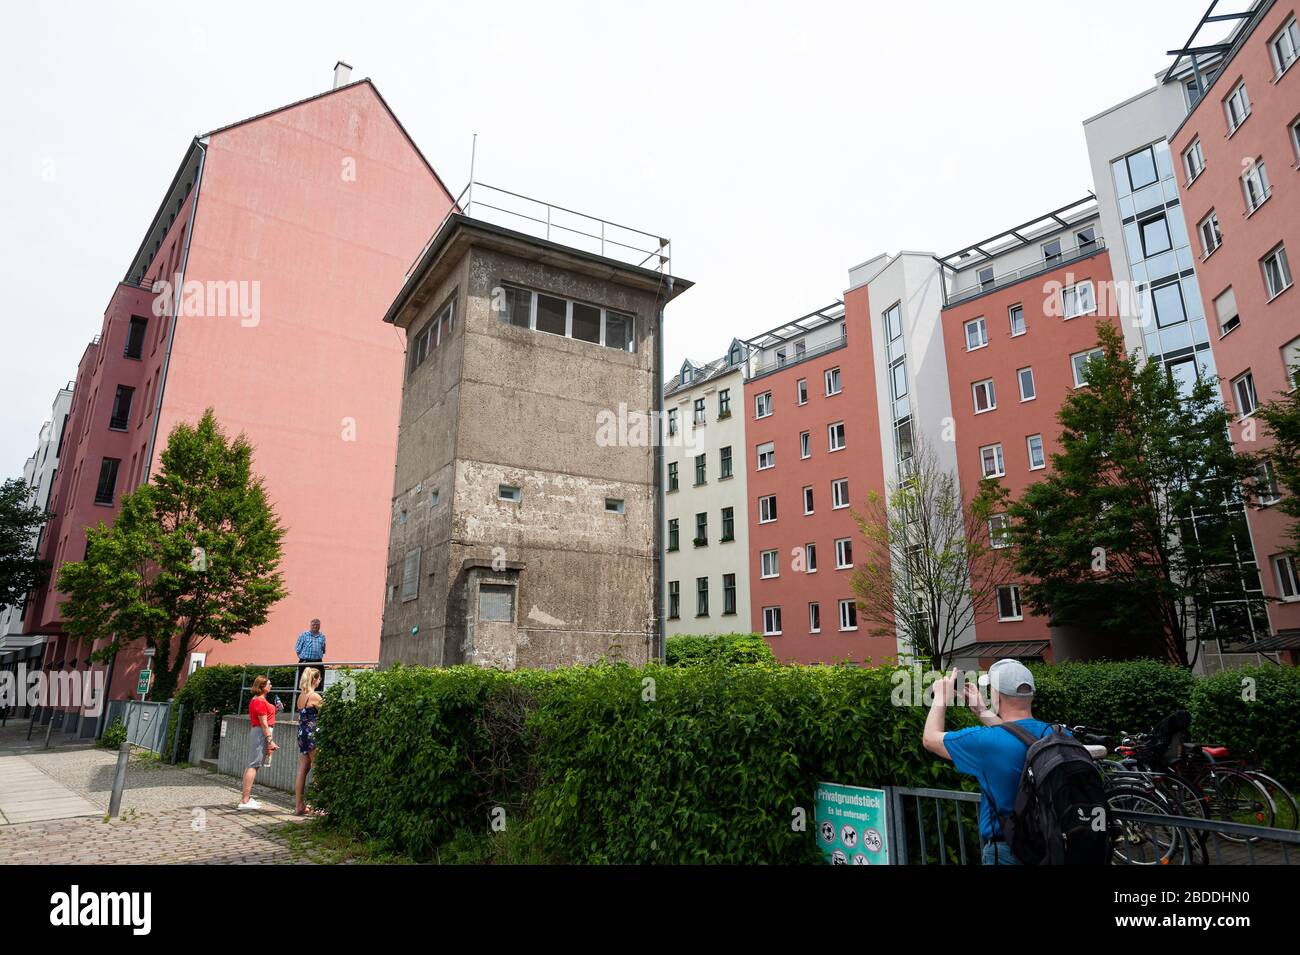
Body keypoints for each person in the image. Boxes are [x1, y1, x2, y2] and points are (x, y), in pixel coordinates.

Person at [921, 660, 1056, 866]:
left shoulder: (986, 741)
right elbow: (1018, 735)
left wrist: (940, 697)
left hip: (1007, 850)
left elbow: (930, 738)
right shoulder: (1055, 733)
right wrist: (982, 712)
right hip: (1053, 843)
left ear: (997, 695)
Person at [238, 675, 278, 811]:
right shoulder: (259, 701)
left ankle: (246, 798)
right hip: (261, 733)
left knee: (253, 764)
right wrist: (270, 740)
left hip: (259, 732)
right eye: (269, 684)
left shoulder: (258, 700)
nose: (271, 686)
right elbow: (264, 723)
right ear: (262, 686)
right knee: (253, 765)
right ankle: (244, 800)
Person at [294, 667, 324, 816]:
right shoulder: (315, 696)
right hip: (313, 734)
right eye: (319, 679)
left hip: (302, 734)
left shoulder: (300, 696)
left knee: (302, 770)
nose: (320, 681)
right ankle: (320, 806)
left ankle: (299, 805)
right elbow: (327, 712)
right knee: (318, 768)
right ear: (314, 679)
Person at [295, 619, 327, 693]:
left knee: (318, 682)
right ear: (310, 625)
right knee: (304, 682)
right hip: (306, 662)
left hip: (318, 662)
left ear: (319, 626)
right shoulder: (303, 635)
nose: (315, 626)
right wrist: (303, 659)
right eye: (313, 625)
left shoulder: (322, 636)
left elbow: (323, 649)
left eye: (317, 625)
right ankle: (301, 700)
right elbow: (297, 649)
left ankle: (316, 700)